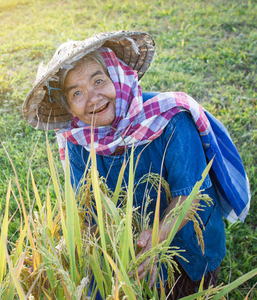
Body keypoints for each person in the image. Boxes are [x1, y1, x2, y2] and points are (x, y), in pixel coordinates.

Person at [22, 31, 250, 298]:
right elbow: (88, 210)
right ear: (69, 106)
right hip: (124, 245)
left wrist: (156, 240)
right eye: (77, 93)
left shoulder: (170, 119)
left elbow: (191, 195)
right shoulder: (76, 141)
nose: (93, 98)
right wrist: (91, 252)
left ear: (116, 76)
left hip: (187, 244)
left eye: (98, 80)